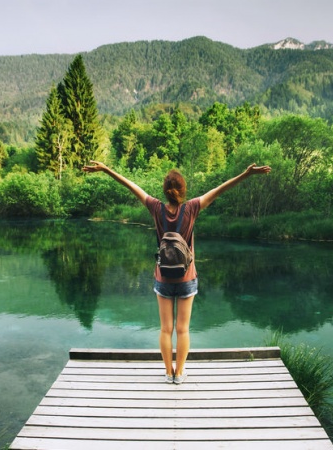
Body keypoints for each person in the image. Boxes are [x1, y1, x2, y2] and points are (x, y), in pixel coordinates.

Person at [82, 161, 271, 384]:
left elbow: (131, 186)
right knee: (182, 329)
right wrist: (246, 174)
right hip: (187, 277)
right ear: (183, 191)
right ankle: (179, 374)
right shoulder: (192, 208)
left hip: (162, 276)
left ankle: (168, 371)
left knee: (165, 329)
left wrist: (106, 169)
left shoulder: (155, 208)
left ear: (165, 190)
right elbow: (221, 189)